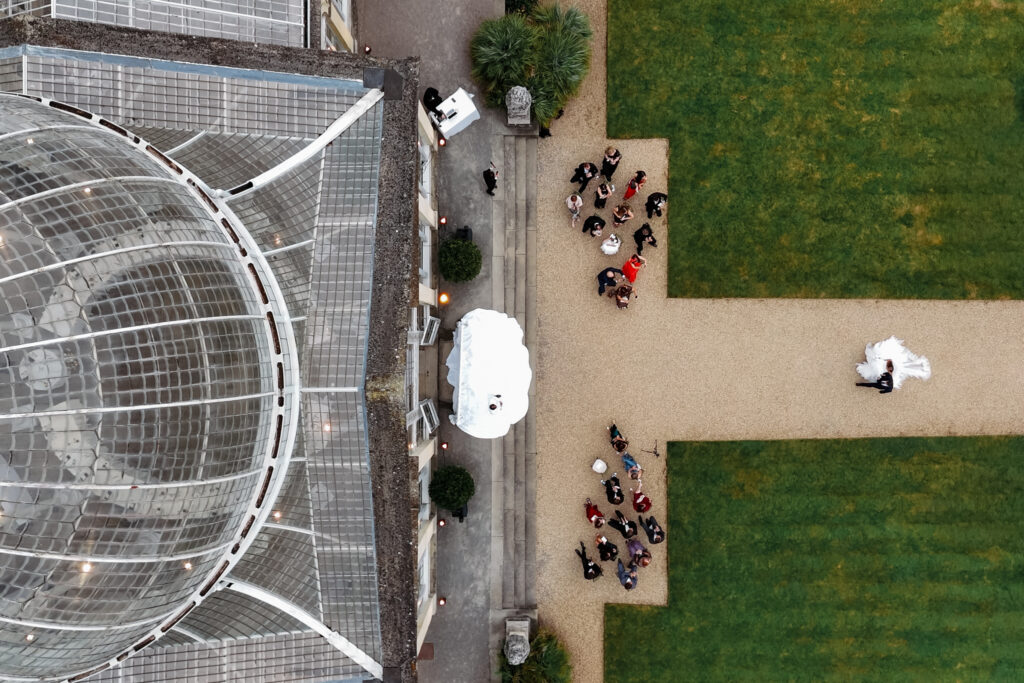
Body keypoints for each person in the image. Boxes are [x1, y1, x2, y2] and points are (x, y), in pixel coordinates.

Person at [856, 336, 931, 390]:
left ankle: (919, 368)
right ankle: (919, 368)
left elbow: (875, 383)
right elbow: (889, 364)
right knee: (877, 354)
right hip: (885, 365)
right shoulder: (889, 371)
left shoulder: (884, 374)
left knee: (876, 356)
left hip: (883, 367)